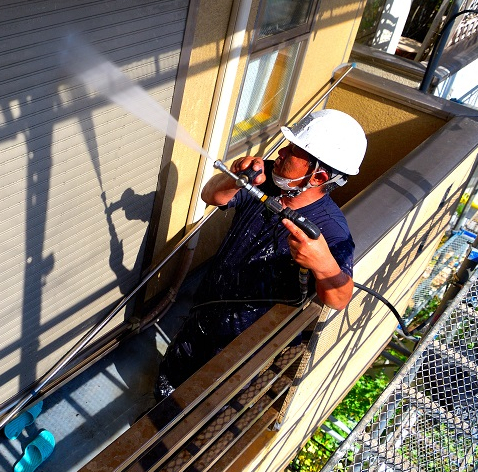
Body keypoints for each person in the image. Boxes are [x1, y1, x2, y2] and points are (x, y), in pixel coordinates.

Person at [154, 109, 367, 399]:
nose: (281, 151)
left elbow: (340, 299)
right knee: (171, 380)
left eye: (294, 151)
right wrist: (236, 179)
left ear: (318, 177)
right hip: (205, 310)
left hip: (240, 341)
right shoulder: (268, 176)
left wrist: (324, 264)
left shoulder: (331, 230)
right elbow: (211, 196)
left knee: (204, 401)